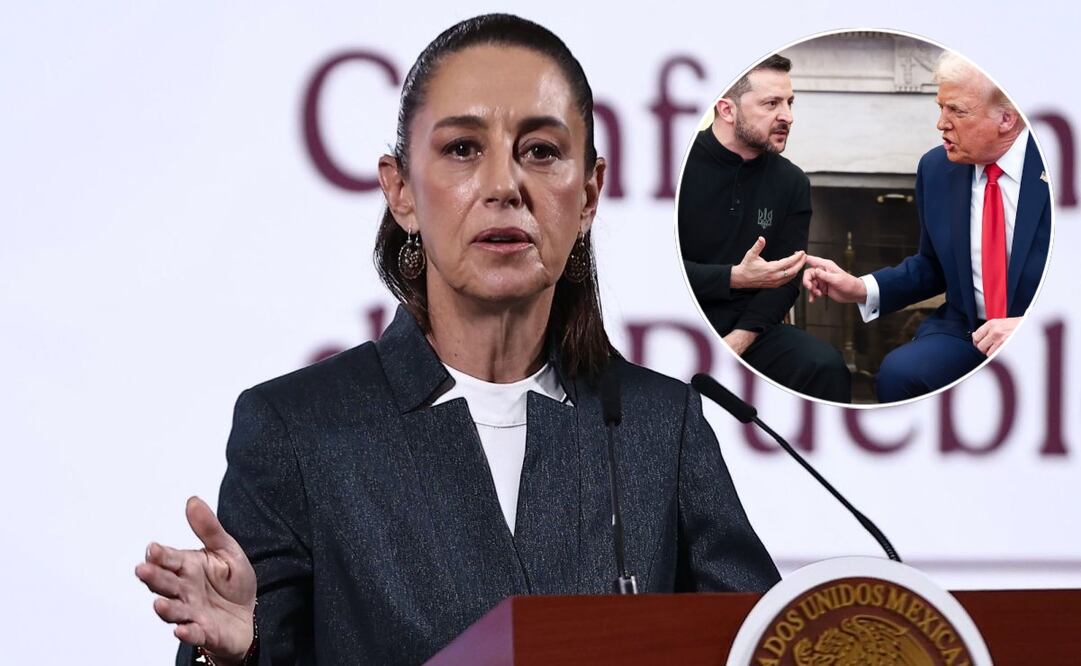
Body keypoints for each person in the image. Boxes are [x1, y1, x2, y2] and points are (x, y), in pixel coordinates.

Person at [135, 15, 780, 666]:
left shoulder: (657, 426)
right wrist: (238, 655)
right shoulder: (298, 431)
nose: (504, 186)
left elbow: (768, 643)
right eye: (463, 150)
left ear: (588, 195)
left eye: (540, 151)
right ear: (401, 192)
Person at [802, 52, 1051, 403]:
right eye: (941, 107)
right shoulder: (937, 168)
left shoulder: (1063, 168)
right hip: (968, 331)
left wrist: (1030, 326)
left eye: (957, 111)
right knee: (900, 373)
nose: (941, 124)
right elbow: (931, 266)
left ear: (1007, 119)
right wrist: (859, 288)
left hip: (1052, 332)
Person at [678, 55, 851, 403]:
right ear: (727, 110)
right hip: (675, 324)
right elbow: (654, 270)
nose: (787, 115)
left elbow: (785, 278)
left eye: (789, 102)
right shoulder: (676, 169)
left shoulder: (792, 182)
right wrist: (732, 277)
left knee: (825, 365)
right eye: (771, 103)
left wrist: (739, 340)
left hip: (751, 331)